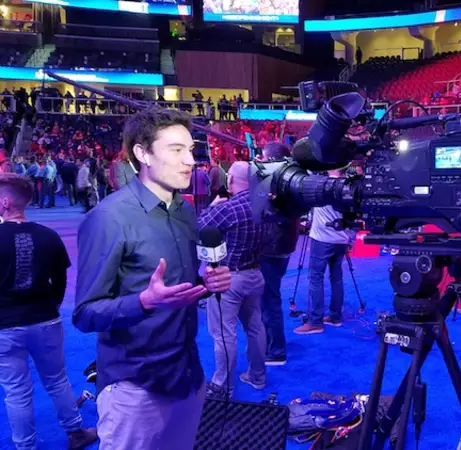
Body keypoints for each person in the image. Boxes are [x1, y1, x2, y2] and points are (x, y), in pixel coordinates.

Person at [73, 108, 232, 450]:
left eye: (191, 149)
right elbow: (85, 314)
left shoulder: (186, 211)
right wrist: (144, 302)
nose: (190, 160)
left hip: (187, 374)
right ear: (142, 154)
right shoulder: (108, 218)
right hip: (136, 384)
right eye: (176, 150)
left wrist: (205, 285)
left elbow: (176, 292)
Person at [0, 173, 98, 450]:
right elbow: (62, 279)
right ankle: (76, 432)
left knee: (17, 392)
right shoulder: (49, 236)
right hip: (45, 320)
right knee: (57, 381)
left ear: (6, 202)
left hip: (5, 325)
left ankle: (25, 446)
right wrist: (53, 304)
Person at [198, 161, 270, 395]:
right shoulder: (264, 206)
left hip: (228, 278)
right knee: (255, 327)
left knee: (223, 333)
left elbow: (197, 227)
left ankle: (222, 385)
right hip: (255, 274)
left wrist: (213, 205)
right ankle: (258, 376)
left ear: (230, 180)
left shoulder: (227, 208)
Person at [294, 168, 355, 335]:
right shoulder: (349, 185)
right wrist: (351, 238)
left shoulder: (320, 185)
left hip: (322, 239)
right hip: (341, 239)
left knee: (315, 277)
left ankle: (315, 321)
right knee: (336, 277)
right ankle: (335, 316)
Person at [259, 143, 300, 365]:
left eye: (265, 160)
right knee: (269, 299)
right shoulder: (292, 180)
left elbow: (269, 214)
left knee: (269, 301)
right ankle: (272, 344)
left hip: (273, 248)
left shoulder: (280, 185)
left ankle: (275, 350)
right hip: (283, 246)